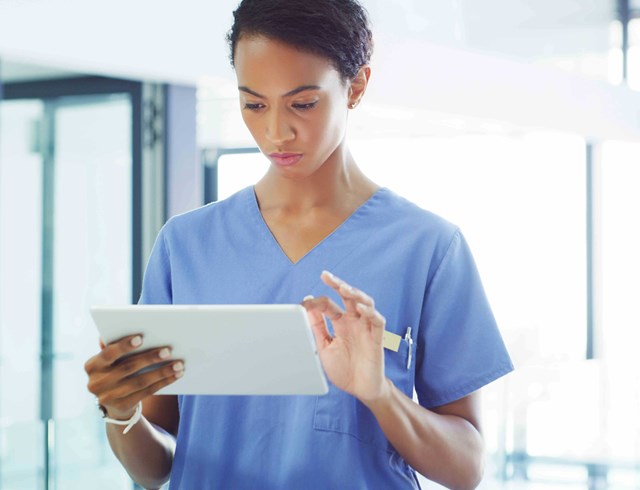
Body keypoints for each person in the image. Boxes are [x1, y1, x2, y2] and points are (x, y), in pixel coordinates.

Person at [84, 0, 513, 488]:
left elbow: (466, 469)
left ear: (356, 87)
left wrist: (380, 395)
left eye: (303, 103)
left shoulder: (429, 248)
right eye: (254, 104)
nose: (276, 131)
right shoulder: (185, 246)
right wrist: (122, 414)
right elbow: (157, 467)